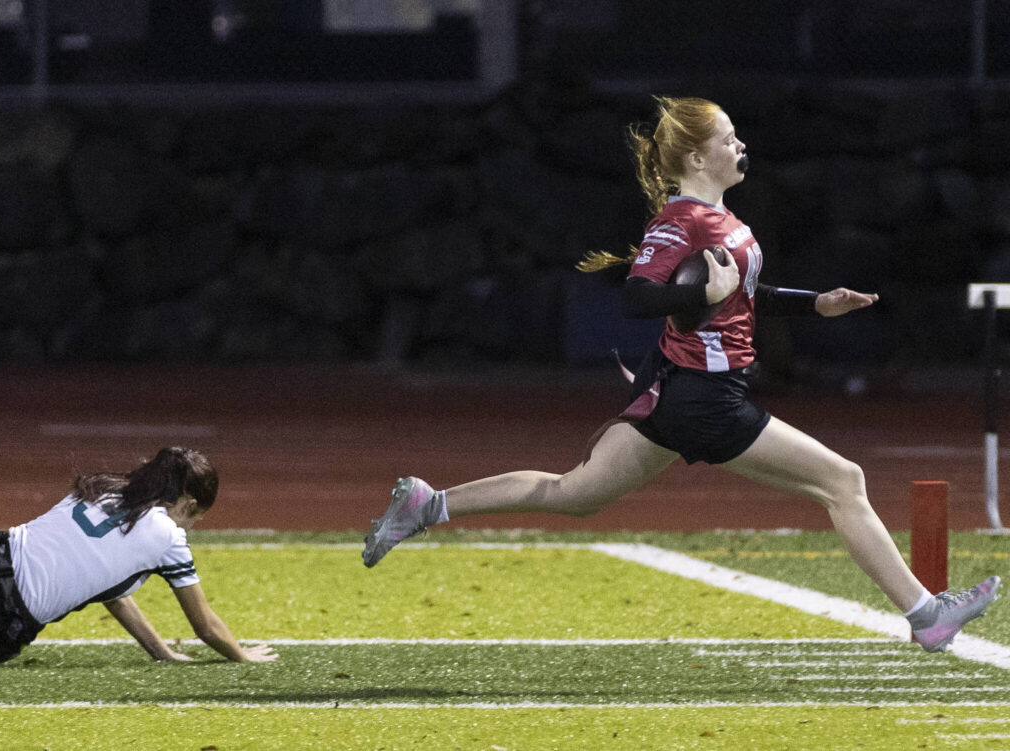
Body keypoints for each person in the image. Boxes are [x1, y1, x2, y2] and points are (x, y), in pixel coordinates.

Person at [362, 96, 1000, 653]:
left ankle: (428, 504)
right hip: (703, 396)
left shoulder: (719, 219)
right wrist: (700, 296)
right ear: (698, 158)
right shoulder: (683, 220)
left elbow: (739, 292)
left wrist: (814, 303)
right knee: (843, 480)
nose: (740, 144)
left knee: (574, 495)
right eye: (727, 138)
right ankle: (926, 616)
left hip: (677, 389)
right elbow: (638, 297)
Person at [0, 447, 277, 664]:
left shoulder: (105, 488)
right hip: (3, 611)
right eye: (197, 518)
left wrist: (161, 653)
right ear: (188, 504)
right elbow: (205, 626)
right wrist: (241, 655)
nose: (191, 527)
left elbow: (112, 593)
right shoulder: (169, 536)